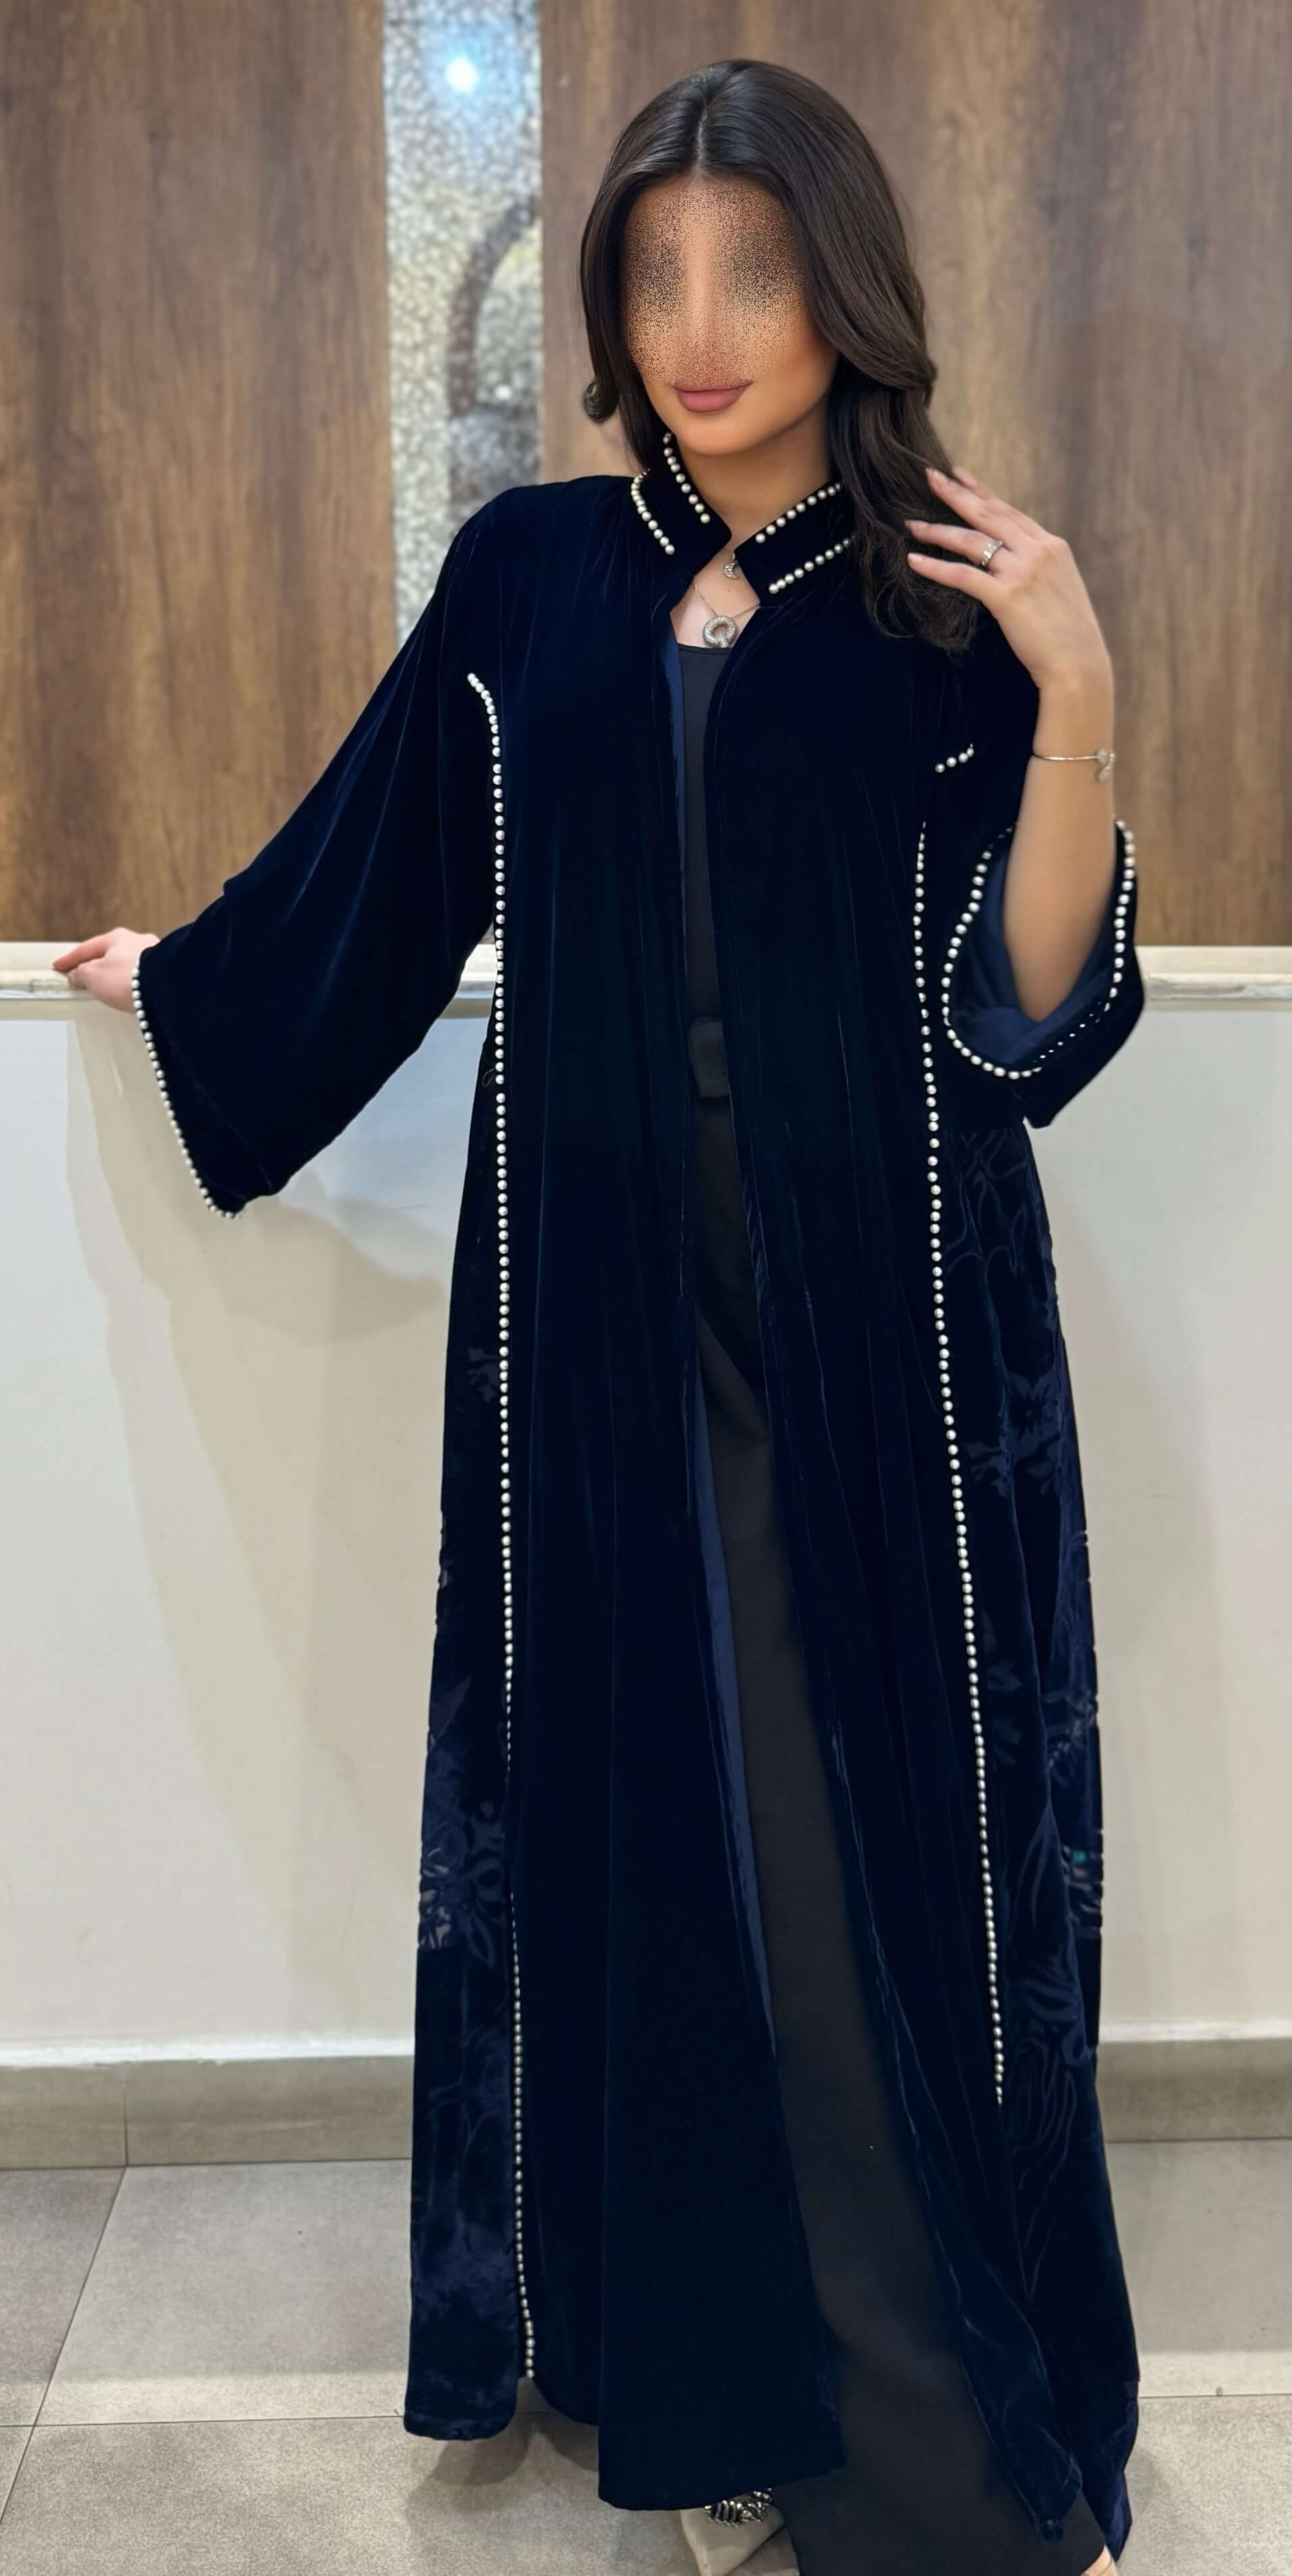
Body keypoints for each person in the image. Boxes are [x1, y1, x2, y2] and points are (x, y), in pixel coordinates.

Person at [55, 57, 1141, 2576]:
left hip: (892, 1339)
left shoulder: (942, 602)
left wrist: (1078, 689)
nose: (701, 325)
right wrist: (185, 983)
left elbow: (1026, 1015)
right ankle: (707, 2397)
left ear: (843, 289)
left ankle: (946, 2463)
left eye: (752, 268)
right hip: (607, 1327)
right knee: (666, 1840)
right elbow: (379, 865)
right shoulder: (536, 576)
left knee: (871, 1873)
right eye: (654, 274)